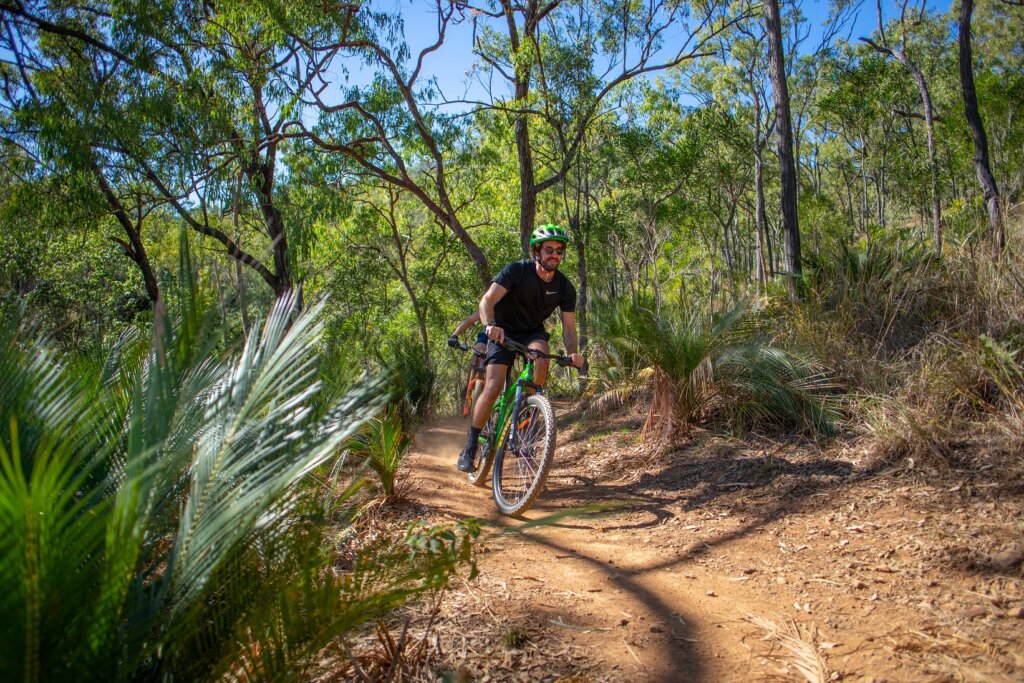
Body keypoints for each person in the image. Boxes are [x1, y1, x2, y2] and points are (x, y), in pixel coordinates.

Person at [456, 223, 585, 472]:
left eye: (559, 250)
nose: (554, 255)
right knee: (493, 385)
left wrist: (572, 354)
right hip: (502, 330)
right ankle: (471, 445)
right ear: (536, 251)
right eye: (549, 249)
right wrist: (491, 325)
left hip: (531, 333)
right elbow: (487, 300)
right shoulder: (516, 271)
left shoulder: (564, 287)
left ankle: (526, 417)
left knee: (541, 359)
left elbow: (568, 328)